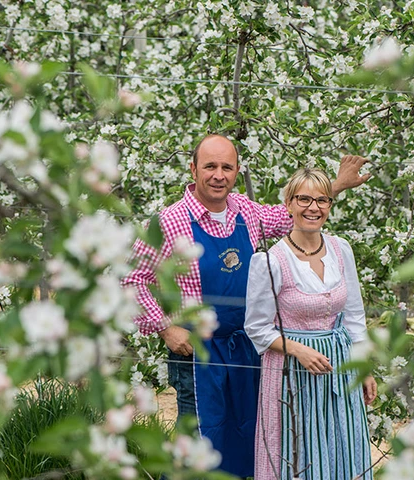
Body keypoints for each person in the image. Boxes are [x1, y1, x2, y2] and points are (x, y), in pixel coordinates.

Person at [121, 134, 370, 478]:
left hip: (247, 349)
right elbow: (131, 281)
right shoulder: (168, 222)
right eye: (210, 166)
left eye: (227, 167)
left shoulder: (246, 212)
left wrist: (336, 186)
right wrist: (166, 327)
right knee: (198, 441)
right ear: (193, 169)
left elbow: (297, 213)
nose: (218, 175)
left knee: (248, 438)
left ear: (237, 171)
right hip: (197, 352)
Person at [244, 167, 377, 480]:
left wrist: (364, 368)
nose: (313, 207)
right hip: (292, 374)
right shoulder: (270, 260)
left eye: (322, 200)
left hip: (339, 369)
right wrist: (299, 351)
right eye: (303, 199)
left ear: (330, 205)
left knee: (342, 445)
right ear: (288, 204)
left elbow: (355, 317)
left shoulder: (341, 250)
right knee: (299, 450)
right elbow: (257, 327)